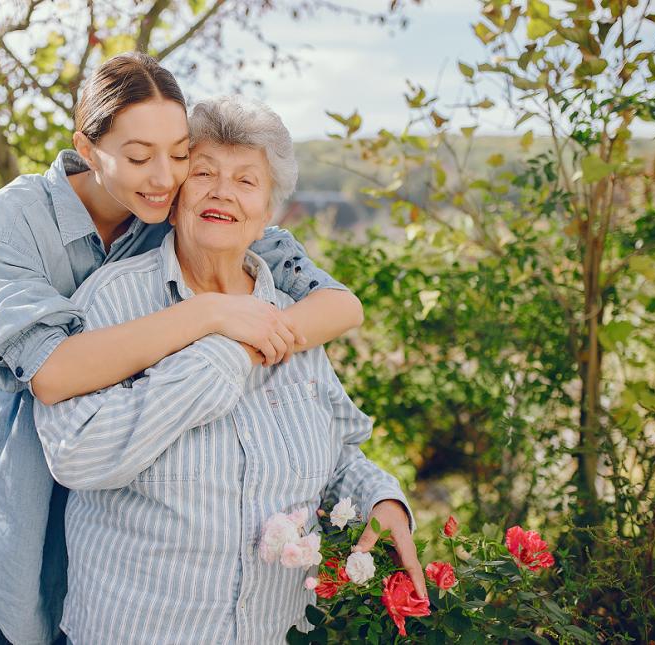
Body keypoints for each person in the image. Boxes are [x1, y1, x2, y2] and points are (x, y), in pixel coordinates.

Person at [0, 54, 365, 644]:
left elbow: (338, 305)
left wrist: (255, 341)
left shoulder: (181, 208)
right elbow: (53, 374)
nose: (164, 176)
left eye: (180, 153)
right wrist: (213, 316)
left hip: (120, 513)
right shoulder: (20, 215)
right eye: (139, 157)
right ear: (87, 149)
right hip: (18, 497)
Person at [33, 95, 421, 645]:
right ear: (172, 196)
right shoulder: (111, 302)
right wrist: (222, 353)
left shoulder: (293, 318)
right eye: (204, 173)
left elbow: (333, 452)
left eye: (246, 181)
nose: (222, 192)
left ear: (268, 213)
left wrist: (380, 496)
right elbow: (75, 454)